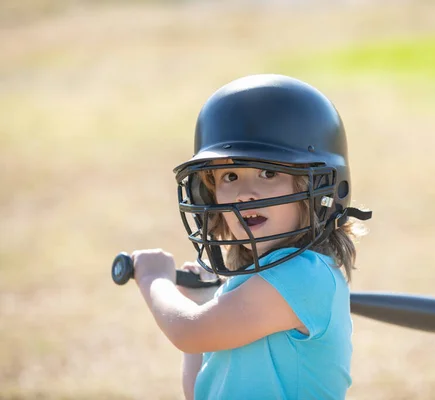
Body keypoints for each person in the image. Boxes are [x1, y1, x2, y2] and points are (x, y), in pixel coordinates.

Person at [131, 74, 372, 400]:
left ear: (319, 190)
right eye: (230, 176)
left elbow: (190, 331)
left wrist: (154, 280)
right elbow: (202, 389)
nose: (245, 193)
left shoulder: (305, 276)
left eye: (269, 173)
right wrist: (202, 303)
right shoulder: (252, 285)